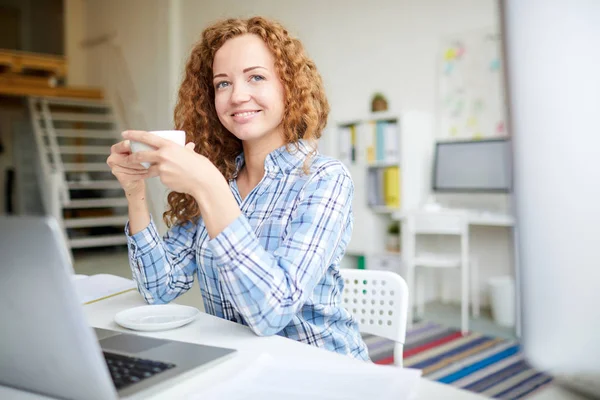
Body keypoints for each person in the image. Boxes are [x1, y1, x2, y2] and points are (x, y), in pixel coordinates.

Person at [107, 16, 369, 361]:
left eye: (256, 77)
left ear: (289, 87)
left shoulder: (324, 179)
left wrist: (209, 187)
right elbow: (159, 288)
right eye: (222, 84)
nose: (237, 96)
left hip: (323, 369)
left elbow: (273, 312)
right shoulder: (218, 177)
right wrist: (135, 191)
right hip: (239, 365)